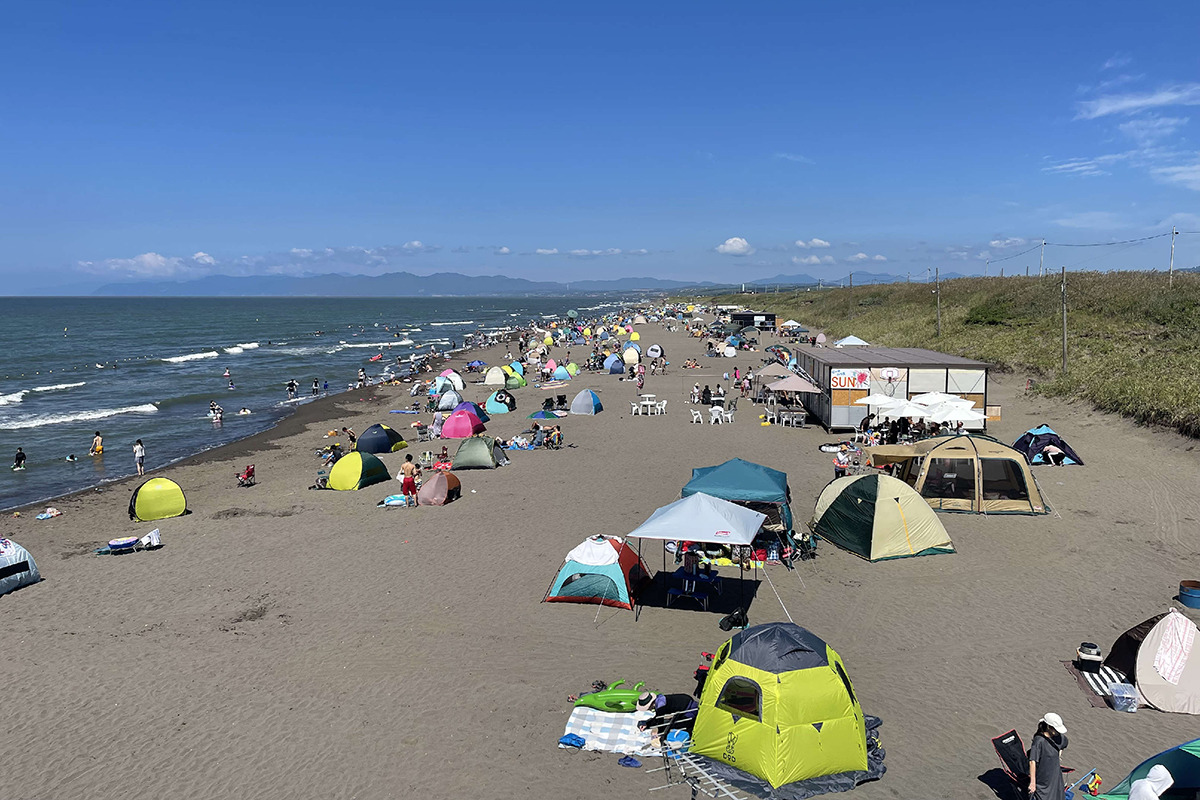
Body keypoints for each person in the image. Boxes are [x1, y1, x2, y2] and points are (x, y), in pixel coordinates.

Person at [1028, 712, 1068, 800]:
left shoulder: (1060, 738)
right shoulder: (1039, 741)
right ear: (1049, 727)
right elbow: (1032, 761)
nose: (1058, 732)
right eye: (1056, 729)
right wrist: (1033, 783)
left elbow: (1064, 744)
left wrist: (1058, 755)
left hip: (1055, 775)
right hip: (1043, 777)